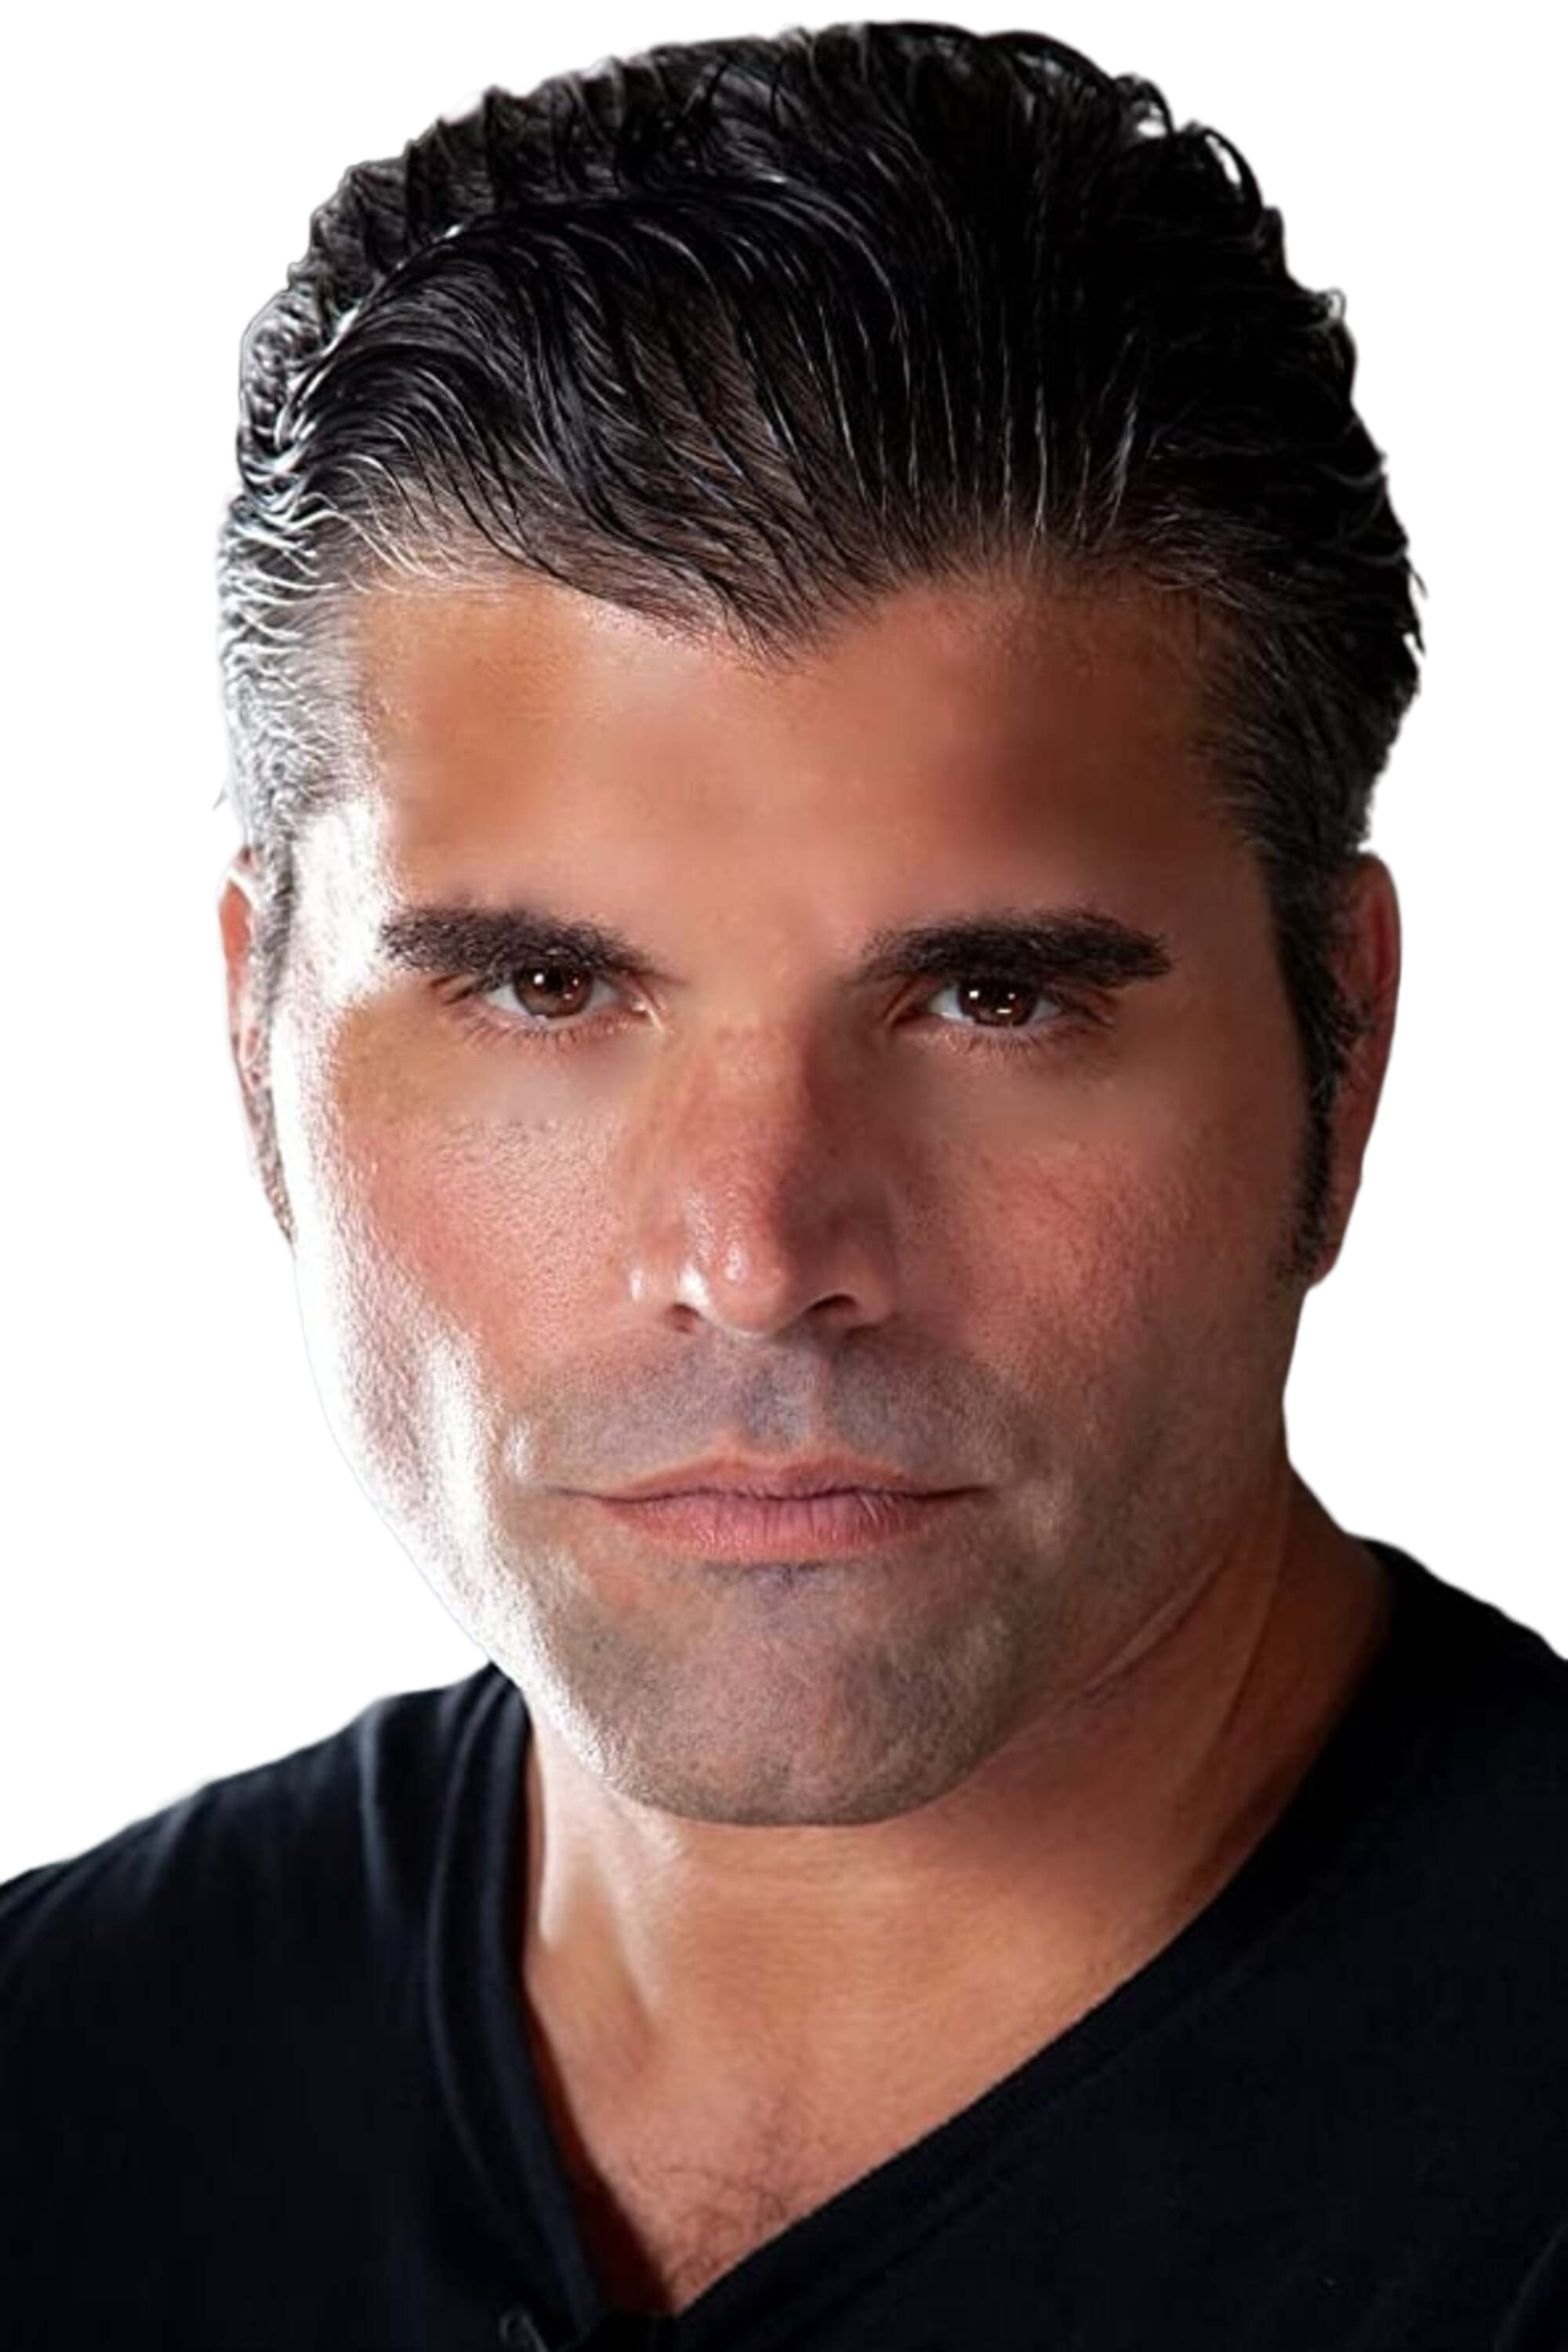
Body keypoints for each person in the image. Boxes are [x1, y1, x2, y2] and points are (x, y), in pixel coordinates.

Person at [4, 22, 1563, 2350]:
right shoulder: (52, 2090)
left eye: (992, 1002)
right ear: (254, 1046)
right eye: (546, 988)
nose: (754, 1256)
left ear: (1347, 1058)